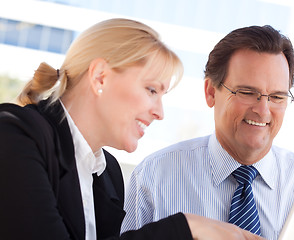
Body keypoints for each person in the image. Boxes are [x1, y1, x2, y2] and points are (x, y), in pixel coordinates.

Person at [0, 18, 264, 240]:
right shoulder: (16, 136)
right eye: (151, 90)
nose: (160, 113)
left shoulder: (108, 176)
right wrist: (186, 227)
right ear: (100, 76)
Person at [121, 25, 294, 240]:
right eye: (248, 92)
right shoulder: (154, 176)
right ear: (211, 92)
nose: (263, 110)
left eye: (277, 97)